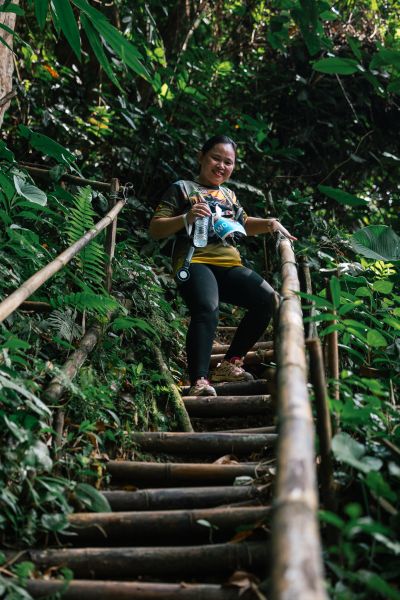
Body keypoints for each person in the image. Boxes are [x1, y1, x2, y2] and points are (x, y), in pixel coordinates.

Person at [149, 135, 296, 396]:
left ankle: (229, 364)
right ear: (201, 157)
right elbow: (155, 229)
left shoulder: (229, 194)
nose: (221, 166)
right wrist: (186, 218)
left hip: (229, 264)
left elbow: (244, 223)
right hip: (194, 261)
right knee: (207, 308)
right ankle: (199, 381)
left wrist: (271, 224)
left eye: (228, 162)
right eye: (216, 158)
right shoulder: (182, 188)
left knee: (268, 300)